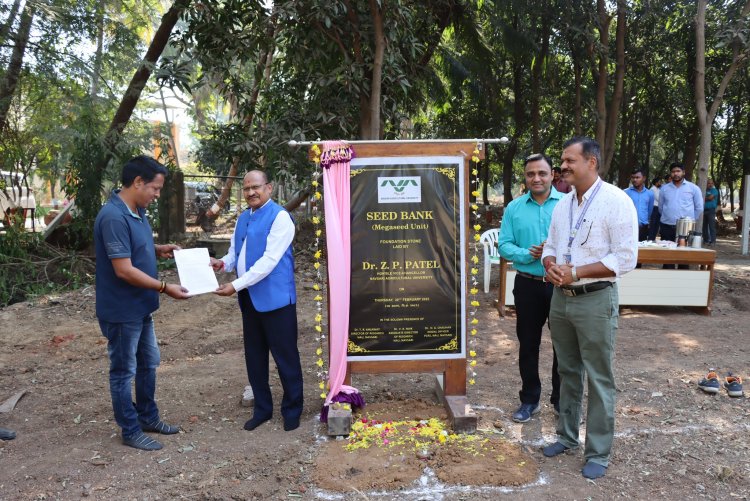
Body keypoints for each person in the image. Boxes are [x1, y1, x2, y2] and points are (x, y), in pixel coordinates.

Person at [541, 137, 638, 480]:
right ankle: (566, 437)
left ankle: (597, 452)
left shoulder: (617, 201)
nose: (563, 167)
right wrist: (550, 263)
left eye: (569, 161)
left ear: (592, 163)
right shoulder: (563, 204)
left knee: (598, 377)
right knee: (567, 372)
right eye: (562, 161)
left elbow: (626, 258)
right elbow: (551, 244)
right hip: (561, 300)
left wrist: (577, 271)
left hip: (596, 299)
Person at [94, 156, 190, 451]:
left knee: (149, 363)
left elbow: (135, 247)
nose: (157, 195)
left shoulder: (136, 210)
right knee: (123, 371)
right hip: (123, 311)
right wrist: (164, 286)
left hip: (141, 306)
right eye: (155, 188)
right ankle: (130, 429)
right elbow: (123, 269)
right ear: (137, 182)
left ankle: (148, 416)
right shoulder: (113, 216)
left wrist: (159, 248)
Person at [211, 170, 303, 432]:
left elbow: (269, 262)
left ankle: (292, 410)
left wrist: (235, 285)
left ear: (269, 188)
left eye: (256, 187)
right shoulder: (243, 218)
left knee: (285, 357)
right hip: (250, 299)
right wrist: (222, 263)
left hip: (276, 301)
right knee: (255, 356)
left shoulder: (281, 218)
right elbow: (235, 253)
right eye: (247, 188)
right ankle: (262, 409)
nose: (251, 192)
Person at [498, 153, 562, 423]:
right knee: (528, 344)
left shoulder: (568, 205)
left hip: (561, 285)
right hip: (527, 284)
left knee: (564, 347)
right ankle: (529, 399)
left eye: (542, 173)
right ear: (525, 177)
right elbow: (504, 245)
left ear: (552, 175)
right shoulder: (514, 208)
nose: (536, 178)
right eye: (531, 174)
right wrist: (527, 254)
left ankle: (562, 402)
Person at [659, 162, 703, 244]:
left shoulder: (693, 188)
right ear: (670, 173)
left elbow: (699, 207)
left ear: (683, 172)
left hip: (686, 228)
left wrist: (689, 221)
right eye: (673, 171)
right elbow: (660, 207)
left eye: (678, 171)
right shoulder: (664, 189)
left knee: (684, 253)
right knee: (667, 253)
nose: (675, 173)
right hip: (666, 226)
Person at [624, 168, 654, 242]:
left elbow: (649, 210)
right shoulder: (625, 193)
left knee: (642, 250)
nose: (635, 180)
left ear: (644, 178)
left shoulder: (650, 194)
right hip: (629, 227)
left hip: (643, 227)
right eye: (633, 177)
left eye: (637, 177)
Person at [703, 178, 719, 245]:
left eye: (712, 183)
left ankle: (713, 241)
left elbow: (710, 198)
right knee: (704, 226)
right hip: (703, 210)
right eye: (709, 183)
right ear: (706, 184)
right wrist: (706, 198)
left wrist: (704, 198)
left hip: (711, 210)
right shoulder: (704, 190)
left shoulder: (714, 190)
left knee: (711, 226)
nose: (710, 184)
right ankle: (706, 240)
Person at [648, 176, 663, 241]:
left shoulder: (659, 189)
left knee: (657, 224)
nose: (661, 183)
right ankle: (650, 238)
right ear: (656, 183)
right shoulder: (652, 189)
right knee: (653, 224)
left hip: (658, 208)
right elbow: (658, 198)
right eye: (659, 182)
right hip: (654, 207)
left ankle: (653, 238)